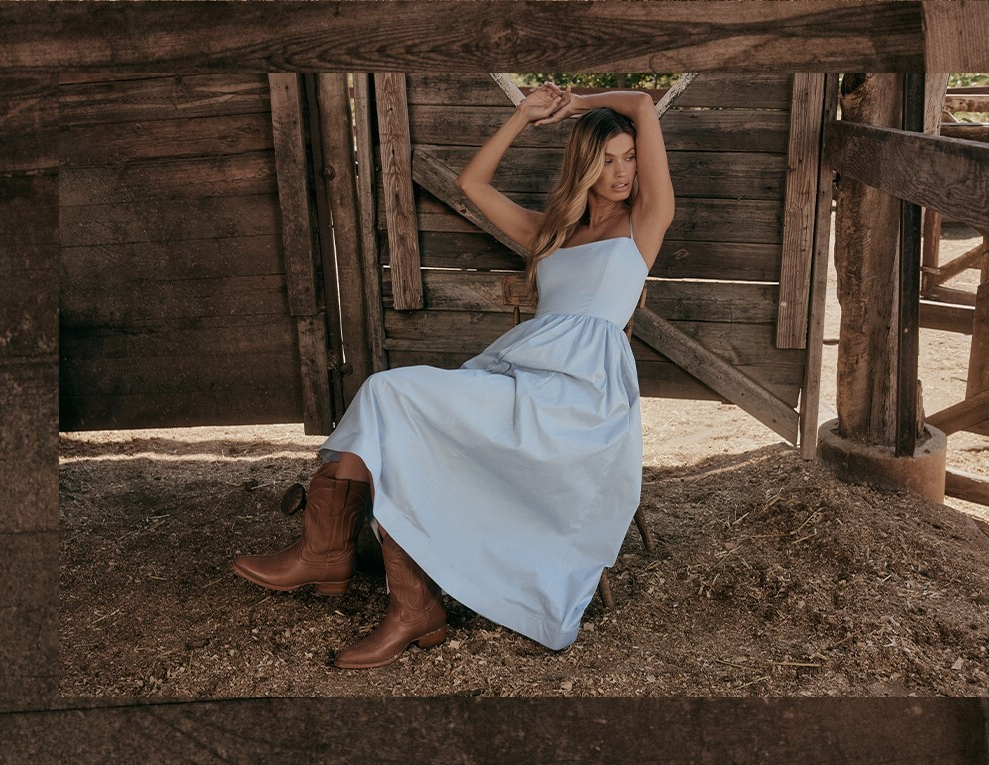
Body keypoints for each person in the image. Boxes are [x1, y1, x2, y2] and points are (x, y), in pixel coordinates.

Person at [232, 81, 674, 669]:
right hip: (518, 381)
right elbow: (471, 185)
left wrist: (579, 102)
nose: (622, 172)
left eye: (629, 158)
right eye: (608, 160)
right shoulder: (552, 232)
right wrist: (522, 116)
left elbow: (641, 103)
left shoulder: (644, 223)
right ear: (585, 166)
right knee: (390, 401)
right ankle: (386, 588)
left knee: (388, 394)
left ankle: (334, 555)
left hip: (577, 406)